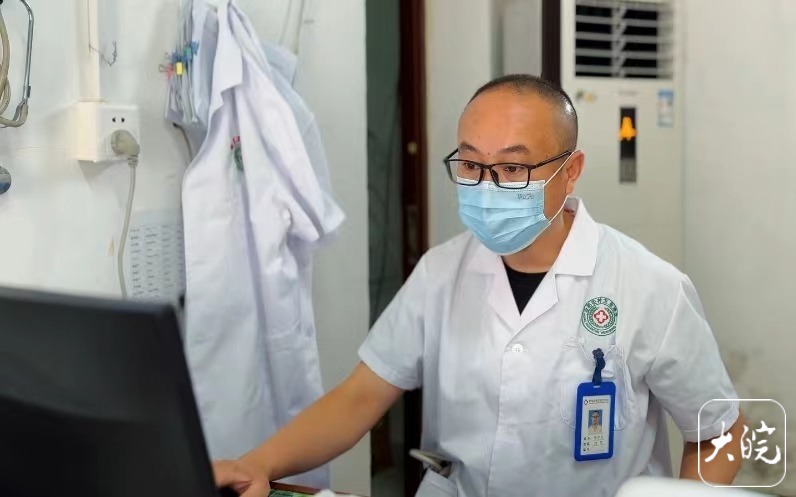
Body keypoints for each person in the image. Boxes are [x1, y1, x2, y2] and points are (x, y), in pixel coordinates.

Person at [213, 74, 744, 496]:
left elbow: (719, 432)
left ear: (570, 170)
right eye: (470, 163)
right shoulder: (440, 272)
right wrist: (258, 464)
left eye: (512, 168)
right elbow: (359, 398)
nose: (487, 186)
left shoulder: (649, 286)